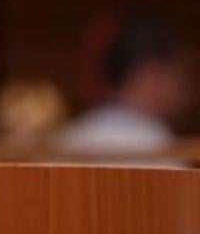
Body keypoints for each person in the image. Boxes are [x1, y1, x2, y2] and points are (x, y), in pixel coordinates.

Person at [54, 18, 191, 161]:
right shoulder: (162, 146)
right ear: (152, 77)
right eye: (179, 75)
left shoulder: (67, 138)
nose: (185, 90)